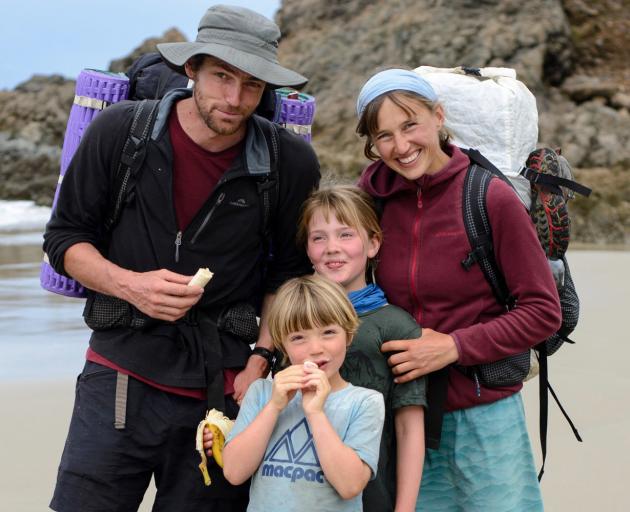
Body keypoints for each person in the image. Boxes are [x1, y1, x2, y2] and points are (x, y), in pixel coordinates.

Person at [43, 5, 319, 511]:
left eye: (253, 85)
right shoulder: (120, 132)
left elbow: (289, 276)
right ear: (191, 68)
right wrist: (132, 285)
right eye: (222, 77)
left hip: (226, 386)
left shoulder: (290, 162)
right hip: (119, 374)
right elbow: (64, 240)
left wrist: (260, 360)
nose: (236, 100)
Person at [354, 69, 562, 511]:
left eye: (410, 125)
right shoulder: (369, 202)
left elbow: (544, 311)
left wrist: (453, 346)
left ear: (438, 116)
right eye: (384, 136)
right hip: (403, 414)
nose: (401, 146)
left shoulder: (489, 197)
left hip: (484, 413)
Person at [298, 186, 426, 511]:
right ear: (307, 249)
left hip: (371, 495)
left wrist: (405, 508)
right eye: (319, 238)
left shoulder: (396, 327)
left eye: (345, 235)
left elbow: (408, 427)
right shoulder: (294, 319)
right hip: (297, 491)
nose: (332, 248)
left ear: (372, 244)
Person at [221, 274, 385, 511]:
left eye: (328, 332)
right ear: (282, 345)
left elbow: (350, 485)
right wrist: (275, 406)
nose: (315, 349)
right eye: (298, 337)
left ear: (348, 335)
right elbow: (234, 473)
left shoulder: (364, 402)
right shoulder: (262, 393)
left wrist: (316, 412)